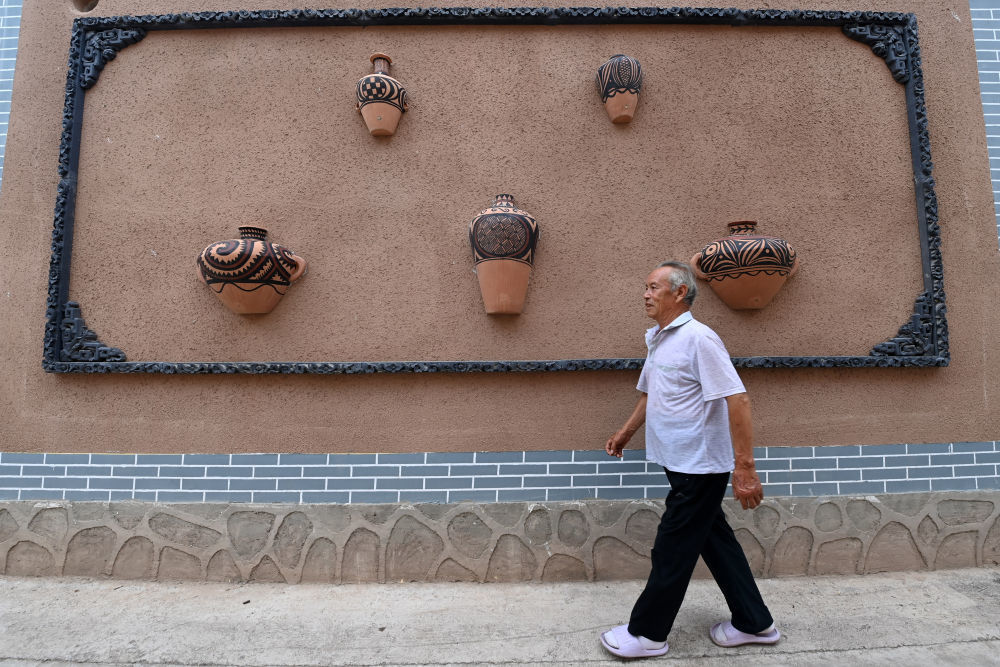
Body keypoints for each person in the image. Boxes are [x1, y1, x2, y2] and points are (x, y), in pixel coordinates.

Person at [599, 261, 780, 659]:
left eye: (653, 287)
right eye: (645, 287)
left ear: (679, 293)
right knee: (715, 542)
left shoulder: (699, 338)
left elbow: (738, 398)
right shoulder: (660, 338)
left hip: (699, 467)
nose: (646, 294)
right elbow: (651, 392)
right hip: (678, 463)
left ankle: (647, 634)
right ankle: (755, 622)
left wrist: (745, 467)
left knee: (672, 549)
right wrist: (627, 431)